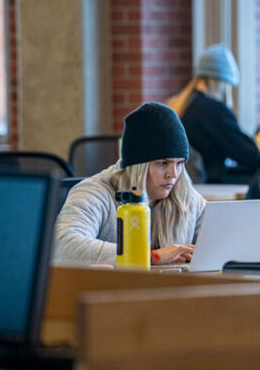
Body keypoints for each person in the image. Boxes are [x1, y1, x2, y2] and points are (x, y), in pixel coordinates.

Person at [54, 102, 206, 266]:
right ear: (138, 167)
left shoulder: (186, 198)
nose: (174, 174)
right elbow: (62, 247)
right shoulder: (94, 193)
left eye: (179, 163)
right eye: (163, 163)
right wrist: (151, 256)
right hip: (111, 289)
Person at [167, 43, 260, 184]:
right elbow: (249, 156)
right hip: (209, 188)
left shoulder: (180, 103)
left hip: (187, 187)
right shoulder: (213, 110)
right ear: (223, 83)